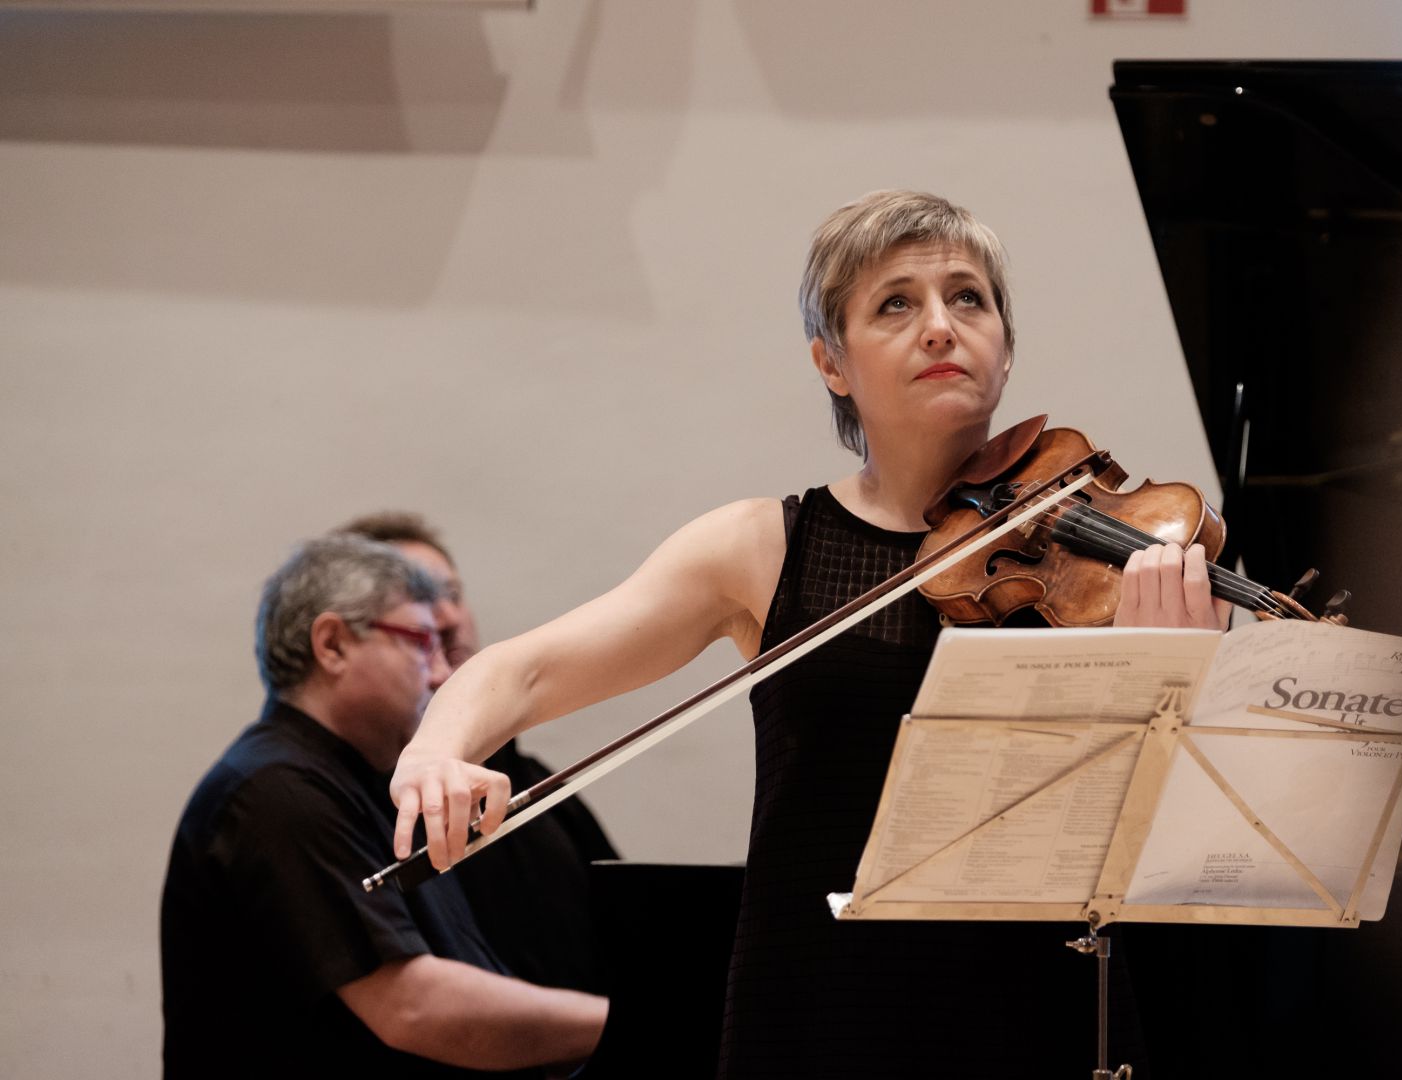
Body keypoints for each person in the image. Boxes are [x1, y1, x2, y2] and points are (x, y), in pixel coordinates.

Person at [387, 191, 1227, 1077]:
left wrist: (1175, 680)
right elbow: (521, 673)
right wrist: (436, 751)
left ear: (1006, 347)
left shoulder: (1112, 564)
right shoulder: (760, 549)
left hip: (1040, 1011)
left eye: (968, 298)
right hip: (822, 1008)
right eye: (895, 303)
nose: (940, 326)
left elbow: (1191, 843)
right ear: (832, 362)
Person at [160, 535, 606, 1078]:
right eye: (422, 642)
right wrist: (625, 1023)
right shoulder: (275, 793)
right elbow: (414, 1007)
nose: (441, 674)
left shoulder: (364, 782)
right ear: (333, 645)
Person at [337, 511, 619, 993]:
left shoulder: (532, 779)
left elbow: (626, 922)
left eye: (451, 595)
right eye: (418, 600)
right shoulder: (358, 795)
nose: (446, 619)